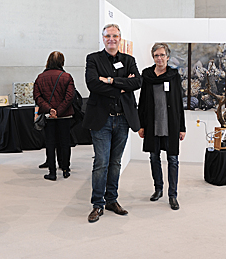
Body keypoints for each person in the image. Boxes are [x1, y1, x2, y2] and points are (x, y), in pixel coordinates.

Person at [84, 24, 141, 223]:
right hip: (102, 119)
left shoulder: (129, 60)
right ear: (103, 38)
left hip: (123, 119)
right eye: (108, 36)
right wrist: (122, 85)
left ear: (120, 38)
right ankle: (97, 204)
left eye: (115, 36)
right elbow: (92, 83)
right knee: (101, 162)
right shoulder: (93, 59)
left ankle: (112, 200)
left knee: (115, 162)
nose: (111, 39)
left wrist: (109, 81)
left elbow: (137, 83)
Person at [138, 43, 186, 210]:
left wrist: (182, 127)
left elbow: (179, 102)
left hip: (171, 124)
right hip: (152, 124)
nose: (159, 58)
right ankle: (158, 189)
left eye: (162, 55)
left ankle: (172, 195)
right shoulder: (147, 75)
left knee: (173, 160)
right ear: (153, 57)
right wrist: (141, 125)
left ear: (168, 57)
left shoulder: (174, 75)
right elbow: (142, 102)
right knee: (154, 157)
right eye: (156, 55)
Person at [33, 51, 75, 181]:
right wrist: (59, 111)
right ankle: (66, 169)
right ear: (62, 62)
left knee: (50, 143)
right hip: (65, 116)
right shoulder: (67, 77)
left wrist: (50, 110)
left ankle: (52, 172)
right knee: (65, 142)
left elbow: (37, 97)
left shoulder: (40, 77)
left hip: (48, 117)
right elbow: (70, 97)